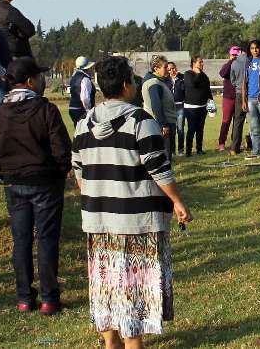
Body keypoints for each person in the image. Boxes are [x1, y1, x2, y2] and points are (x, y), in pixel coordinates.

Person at [71, 56, 191, 348]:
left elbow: (78, 171)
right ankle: (133, 343)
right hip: (136, 220)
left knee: (106, 283)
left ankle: (110, 341)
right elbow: (159, 169)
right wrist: (177, 201)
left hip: (98, 220)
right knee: (133, 287)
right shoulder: (140, 121)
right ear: (127, 85)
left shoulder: (84, 124)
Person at [0, 56, 71, 315]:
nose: (43, 80)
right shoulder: (45, 110)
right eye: (40, 76)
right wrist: (59, 172)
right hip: (45, 183)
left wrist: (5, 173)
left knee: (21, 240)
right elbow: (61, 150)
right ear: (31, 81)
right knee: (46, 240)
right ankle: (49, 299)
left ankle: (24, 297)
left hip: (15, 184)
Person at [142, 55, 177, 159]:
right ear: (156, 68)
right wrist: (163, 124)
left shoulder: (157, 80)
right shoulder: (153, 83)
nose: (168, 70)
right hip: (162, 124)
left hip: (163, 123)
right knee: (165, 153)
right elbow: (156, 105)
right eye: (165, 67)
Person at [183, 55, 213, 156]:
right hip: (191, 108)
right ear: (194, 63)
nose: (202, 64)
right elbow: (193, 84)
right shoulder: (188, 74)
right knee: (191, 129)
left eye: (202, 62)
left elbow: (208, 91)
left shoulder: (204, 76)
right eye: (200, 62)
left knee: (200, 129)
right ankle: (188, 152)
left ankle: (199, 149)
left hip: (202, 107)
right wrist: (198, 73)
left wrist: (211, 105)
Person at [217, 47, 240, 151]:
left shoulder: (241, 66)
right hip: (228, 98)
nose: (235, 57)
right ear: (230, 55)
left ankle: (235, 142)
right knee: (226, 120)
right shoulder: (227, 65)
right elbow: (222, 73)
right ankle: (221, 142)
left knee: (237, 121)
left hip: (239, 97)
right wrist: (230, 62)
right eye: (233, 55)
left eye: (237, 55)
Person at [229, 46, 248, 155]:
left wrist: (238, 86)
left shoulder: (234, 63)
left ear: (240, 51)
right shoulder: (251, 61)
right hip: (252, 93)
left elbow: (232, 80)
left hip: (239, 93)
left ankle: (234, 148)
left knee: (238, 121)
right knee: (256, 120)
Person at [69, 56, 95, 126]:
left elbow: (71, 93)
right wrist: (89, 111)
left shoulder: (74, 77)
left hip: (72, 108)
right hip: (81, 110)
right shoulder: (85, 79)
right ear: (87, 68)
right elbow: (85, 98)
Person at [167, 62, 185, 155]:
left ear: (176, 68)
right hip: (170, 107)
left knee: (180, 129)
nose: (171, 71)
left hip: (180, 106)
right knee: (172, 131)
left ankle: (181, 150)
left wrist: (180, 78)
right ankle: (172, 151)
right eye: (169, 69)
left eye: (173, 68)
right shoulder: (166, 80)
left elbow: (183, 89)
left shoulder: (182, 78)